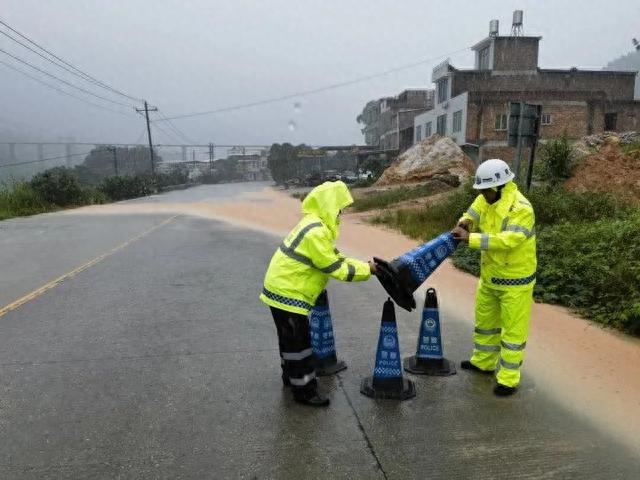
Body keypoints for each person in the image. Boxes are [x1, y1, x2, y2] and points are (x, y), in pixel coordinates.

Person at [260, 181, 376, 407]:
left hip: (280, 290)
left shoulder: (313, 224)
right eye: (339, 207)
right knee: (299, 344)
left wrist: (363, 264)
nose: (341, 212)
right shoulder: (316, 231)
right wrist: (368, 270)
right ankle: (305, 391)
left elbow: (336, 256)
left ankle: (290, 378)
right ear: (330, 205)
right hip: (288, 293)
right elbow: (336, 268)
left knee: (289, 340)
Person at [451, 159, 536, 397]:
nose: (483, 194)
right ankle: (484, 362)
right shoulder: (485, 198)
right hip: (490, 277)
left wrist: (471, 239)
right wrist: (465, 222)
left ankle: (508, 379)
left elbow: (507, 240)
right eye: (481, 190)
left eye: (486, 190)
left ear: (500, 187)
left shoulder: (521, 208)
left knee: (512, 333)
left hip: (515, 282)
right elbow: (472, 212)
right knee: (485, 324)